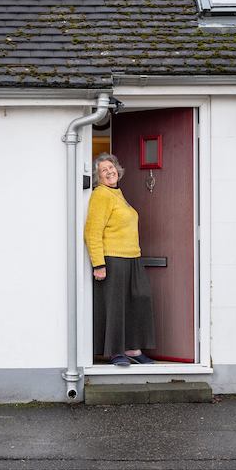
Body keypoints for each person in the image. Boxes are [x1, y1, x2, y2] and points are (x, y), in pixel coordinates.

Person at [84, 152, 156, 367]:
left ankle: (132, 348)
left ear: (118, 169)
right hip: (113, 258)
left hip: (132, 257)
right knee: (115, 307)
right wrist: (98, 264)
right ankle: (115, 351)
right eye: (103, 170)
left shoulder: (117, 194)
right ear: (98, 177)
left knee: (137, 301)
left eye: (111, 167)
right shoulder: (101, 194)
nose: (109, 172)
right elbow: (92, 231)